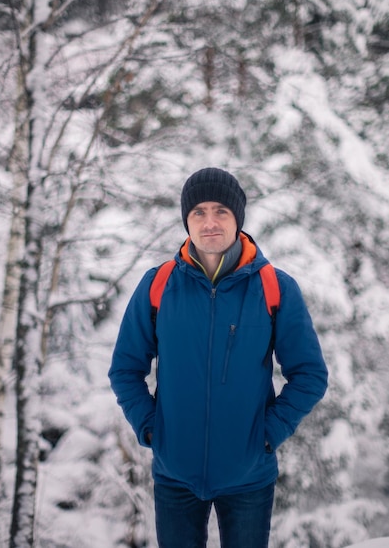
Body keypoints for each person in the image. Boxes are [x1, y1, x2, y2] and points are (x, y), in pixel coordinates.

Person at [109, 167, 328, 548]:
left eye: (220, 211)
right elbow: (125, 369)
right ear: (187, 221)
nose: (209, 222)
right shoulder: (158, 285)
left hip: (248, 476)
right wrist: (150, 427)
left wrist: (268, 434)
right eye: (199, 212)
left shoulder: (274, 287)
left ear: (237, 218)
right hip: (175, 475)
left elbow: (310, 374)